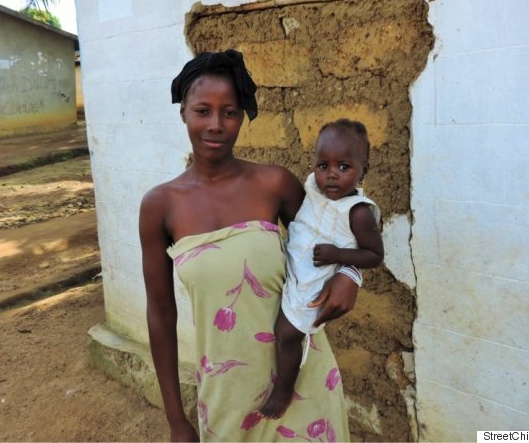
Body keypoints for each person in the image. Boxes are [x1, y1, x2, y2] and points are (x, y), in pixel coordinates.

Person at [139, 49, 356, 442]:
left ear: (242, 117)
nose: (216, 125)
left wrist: (350, 274)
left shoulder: (273, 185)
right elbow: (160, 314)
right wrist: (175, 418)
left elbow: (337, 233)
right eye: (203, 110)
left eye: (230, 112)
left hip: (302, 379)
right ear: (183, 113)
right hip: (226, 392)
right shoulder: (161, 206)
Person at [259, 119, 384, 419]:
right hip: (292, 265)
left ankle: (284, 389)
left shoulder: (358, 212)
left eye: (344, 167)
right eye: (323, 165)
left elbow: (375, 255)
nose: (331, 175)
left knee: (287, 333)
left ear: (363, 169)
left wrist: (339, 255)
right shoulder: (312, 186)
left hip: (314, 281)